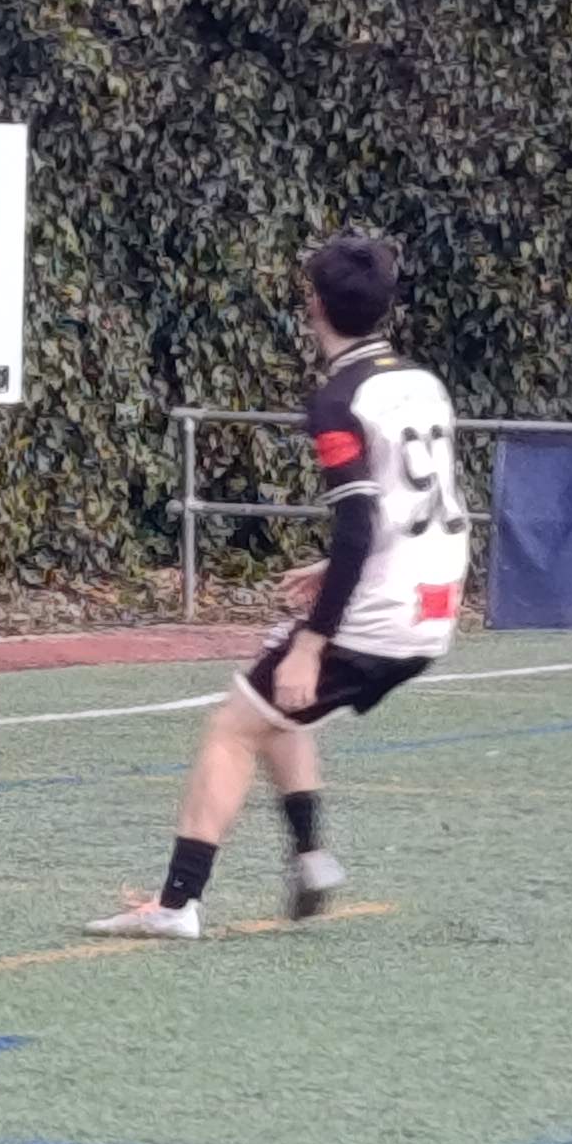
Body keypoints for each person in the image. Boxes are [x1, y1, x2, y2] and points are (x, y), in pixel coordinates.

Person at [91, 230, 463, 939]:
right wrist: (333, 579)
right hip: (432, 603)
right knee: (276, 705)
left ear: (312, 303)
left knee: (233, 727)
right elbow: (413, 505)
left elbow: (358, 522)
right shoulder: (423, 384)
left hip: (379, 613)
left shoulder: (340, 399)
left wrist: (314, 642)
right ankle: (312, 859)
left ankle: (176, 904)